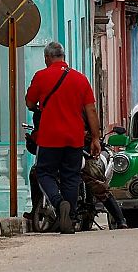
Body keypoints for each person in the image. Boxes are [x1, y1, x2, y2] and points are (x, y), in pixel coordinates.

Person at [25, 42, 101, 234]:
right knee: (71, 176)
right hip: (74, 137)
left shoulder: (41, 76)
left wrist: (39, 106)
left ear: (47, 58)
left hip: (49, 137)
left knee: (44, 173)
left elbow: (30, 102)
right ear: (64, 57)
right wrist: (95, 138)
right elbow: (91, 110)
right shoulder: (80, 79)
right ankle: (71, 217)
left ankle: (60, 204)